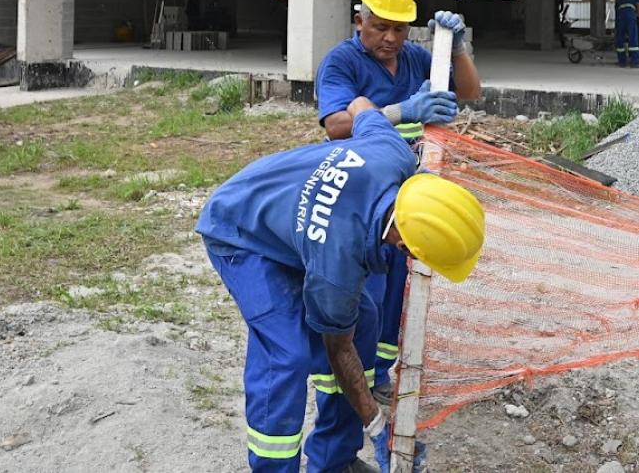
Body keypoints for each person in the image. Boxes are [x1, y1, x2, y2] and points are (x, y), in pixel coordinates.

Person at [197, 101, 485, 472]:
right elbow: (338, 349)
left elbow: (363, 107)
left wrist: (403, 110)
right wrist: (378, 425)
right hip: (239, 228)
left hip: (282, 209)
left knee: (363, 320)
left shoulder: (392, 151)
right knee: (286, 353)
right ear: (404, 245)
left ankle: (334, 459)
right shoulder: (338, 267)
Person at [315, 0, 483, 399]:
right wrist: (402, 111)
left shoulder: (412, 59)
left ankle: (380, 372)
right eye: (380, 26)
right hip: (362, 199)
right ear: (360, 21)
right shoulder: (341, 62)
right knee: (364, 291)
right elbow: (336, 125)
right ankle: (353, 373)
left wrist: (459, 49)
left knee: (396, 289)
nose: (390, 38)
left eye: (400, 28)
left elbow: (469, 91)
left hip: (408, 195)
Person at [614, 0, 639, 68]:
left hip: (620, 20)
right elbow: (638, 9)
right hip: (630, 19)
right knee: (633, 39)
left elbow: (617, 11)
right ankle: (635, 62)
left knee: (620, 40)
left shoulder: (619, 0)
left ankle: (622, 62)